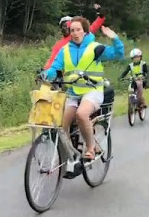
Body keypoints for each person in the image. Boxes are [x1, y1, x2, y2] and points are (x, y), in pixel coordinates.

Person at [42, 17, 124, 160]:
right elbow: (55, 68)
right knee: (62, 126)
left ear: (85, 31)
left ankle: (91, 149)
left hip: (93, 91)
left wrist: (115, 38)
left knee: (81, 114)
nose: (75, 33)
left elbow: (118, 54)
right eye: (72, 30)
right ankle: (71, 155)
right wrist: (45, 74)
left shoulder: (95, 47)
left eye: (78, 29)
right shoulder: (65, 50)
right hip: (74, 92)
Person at [43, 4, 106, 70]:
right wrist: (45, 71)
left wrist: (101, 16)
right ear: (61, 28)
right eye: (64, 25)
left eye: (69, 25)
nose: (67, 27)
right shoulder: (58, 45)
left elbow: (94, 27)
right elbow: (52, 60)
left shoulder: (79, 36)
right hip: (65, 77)